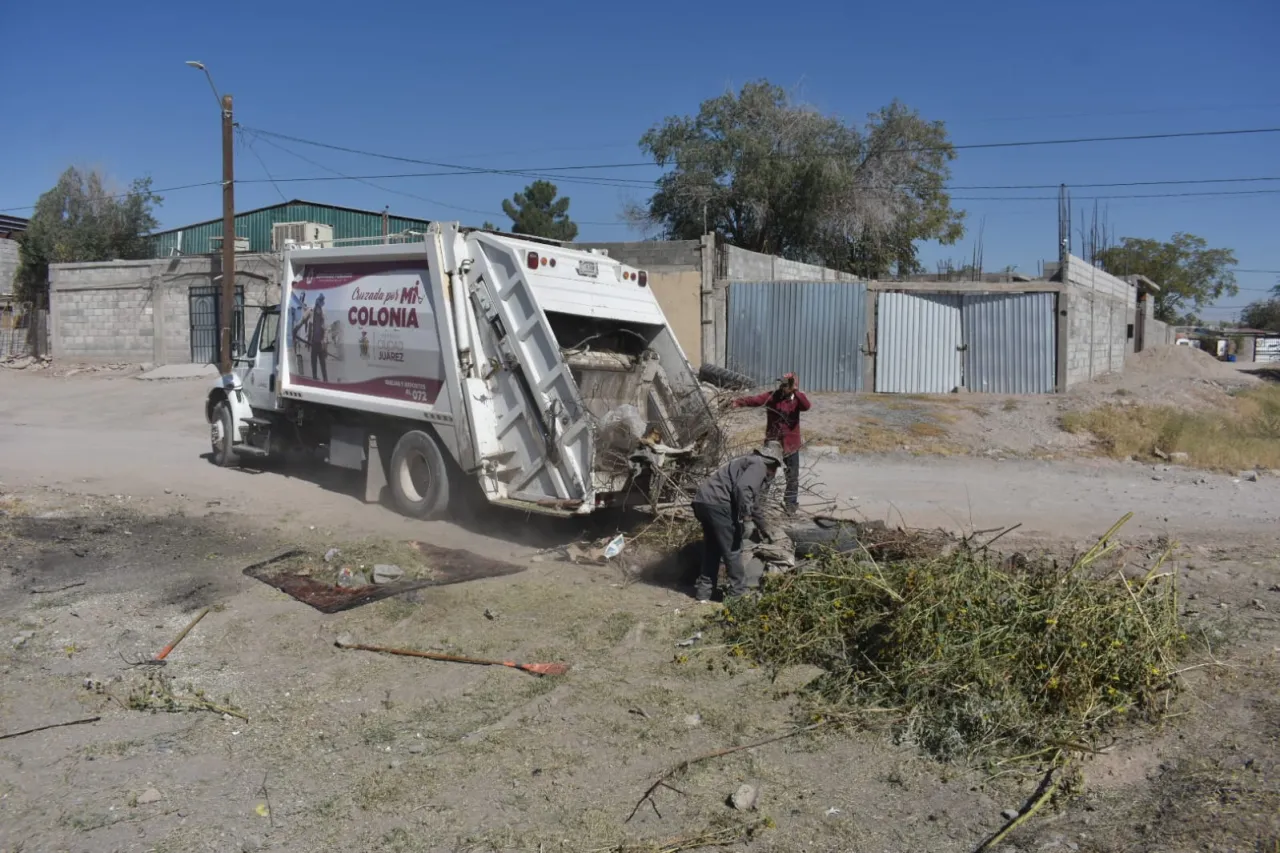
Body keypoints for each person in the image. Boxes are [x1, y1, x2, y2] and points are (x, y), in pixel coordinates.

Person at [690, 443, 783, 602]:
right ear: (772, 464)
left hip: (703, 502)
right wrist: (747, 519)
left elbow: (753, 503)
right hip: (718, 504)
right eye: (775, 470)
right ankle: (737, 596)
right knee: (733, 549)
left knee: (713, 547)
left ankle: (704, 593)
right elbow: (743, 489)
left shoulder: (747, 462)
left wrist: (763, 526)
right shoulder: (759, 466)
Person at [732, 372, 810, 514]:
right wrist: (737, 402)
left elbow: (807, 406)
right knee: (767, 476)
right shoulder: (772, 396)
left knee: (792, 477)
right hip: (773, 445)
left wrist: (796, 391)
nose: (783, 386)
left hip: (791, 445)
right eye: (782, 383)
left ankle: (790, 507)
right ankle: (760, 506)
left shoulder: (798, 399)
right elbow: (754, 400)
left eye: (786, 384)